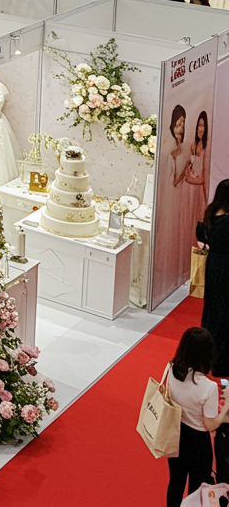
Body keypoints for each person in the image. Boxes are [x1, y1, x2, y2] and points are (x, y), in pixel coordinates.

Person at [164, 327, 229, 506]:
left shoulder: (171, 368)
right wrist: (226, 407)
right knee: (197, 488)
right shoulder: (207, 387)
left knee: (175, 481)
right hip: (198, 443)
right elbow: (210, 425)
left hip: (176, 434)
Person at [198, 180, 229, 375]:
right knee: (224, 313)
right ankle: (221, 362)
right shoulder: (226, 221)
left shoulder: (211, 213)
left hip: (214, 265)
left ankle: (208, 356)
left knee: (213, 308)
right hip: (225, 268)